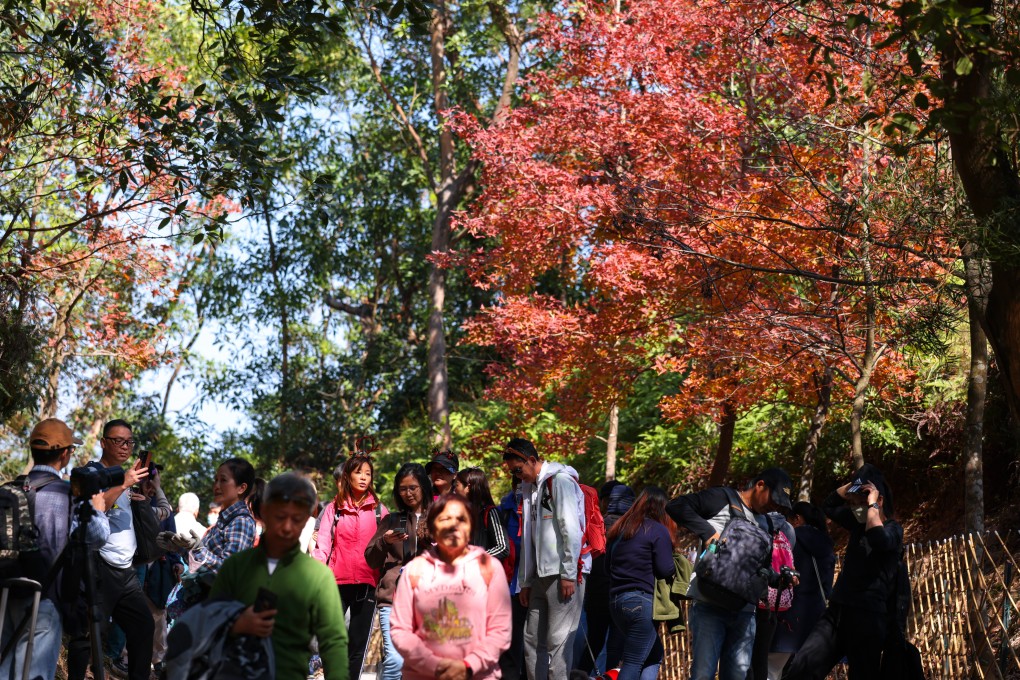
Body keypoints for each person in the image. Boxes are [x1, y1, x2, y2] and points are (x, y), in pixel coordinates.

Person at [209, 472, 349, 680]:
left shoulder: (318, 577)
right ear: (265, 511)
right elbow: (208, 621)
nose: (287, 527)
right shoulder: (236, 567)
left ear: (307, 520)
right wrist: (237, 624)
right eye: (280, 516)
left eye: (297, 519)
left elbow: (333, 642)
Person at [0, 418, 110, 680]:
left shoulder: (10, 490)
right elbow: (97, 536)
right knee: (34, 674)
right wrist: (97, 510)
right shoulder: (68, 494)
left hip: (5, 591)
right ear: (65, 453)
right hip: (45, 597)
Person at [666, 468, 793, 680]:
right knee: (703, 674)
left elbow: (761, 567)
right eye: (774, 499)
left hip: (744, 611)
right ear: (760, 485)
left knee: (737, 675)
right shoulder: (722, 498)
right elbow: (676, 506)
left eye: (780, 504)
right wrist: (708, 533)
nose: (775, 506)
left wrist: (778, 578)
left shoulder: (768, 523)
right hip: (709, 605)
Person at [782, 464, 903, 680]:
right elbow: (828, 506)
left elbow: (879, 538)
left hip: (868, 616)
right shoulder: (858, 522)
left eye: (860, 503)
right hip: (838, 611)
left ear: (880, 501)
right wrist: (854, 485)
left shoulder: (893, 529)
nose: (856, 508)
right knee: (802, 668)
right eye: (853, 503)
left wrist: (872, 504)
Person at [390, 493, 512, 680]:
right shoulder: (414, 570)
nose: (453, 525)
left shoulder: (489, 567)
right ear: (432, 528)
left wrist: (468, 666)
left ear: (471, 528)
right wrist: (436, 666)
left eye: (461, 519)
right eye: (445, 519)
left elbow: (500, 630)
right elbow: (401, 630)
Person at [503, 438, 585, 680]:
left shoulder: (560, 481)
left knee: (558, 643)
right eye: (513, 472)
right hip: (538, 575)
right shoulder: (529, 488)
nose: (517, 476)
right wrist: (525, 581)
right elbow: (528, 536)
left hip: (562, 574)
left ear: (531, 460)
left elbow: (571, 529)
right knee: (531, 640)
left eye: (518, 470)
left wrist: (569, 573)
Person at [85, 419, 159, 680]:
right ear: (103, 442)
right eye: (118, 440)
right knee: (92, 632)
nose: (125, 446)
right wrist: (124, 484)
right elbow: (95, 507)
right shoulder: (93, 472)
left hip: (126, 570)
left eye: (129, 442)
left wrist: (142, 496)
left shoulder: (124, 476)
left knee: (144, 626)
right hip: (101, 566)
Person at [312, 453, 389, 680]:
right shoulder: (333, 509)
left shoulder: (379, 510)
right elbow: (322, 545)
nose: (364, 477)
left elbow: (386, 549)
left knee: (358, 645)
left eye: (368, 473)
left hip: (367, 584)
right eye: (358, 472)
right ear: (347, 476)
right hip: (335, 583)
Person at [165, 458, 259, 622]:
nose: (216, 485)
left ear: (241, 488)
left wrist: (197, 549)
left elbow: (228, 571)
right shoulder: (224, 519)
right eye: (216, 480)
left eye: (223, 480)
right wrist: (178, 547)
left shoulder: (241, 522)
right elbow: (202, 564)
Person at [365, 463, 434, 680]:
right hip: (393, 599)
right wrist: (384, 542)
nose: (408, 493)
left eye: (413, 487)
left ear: (423, 486)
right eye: (403, 489)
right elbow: (371, 559)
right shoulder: (392, 520)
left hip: (430, 601)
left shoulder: (439, 517)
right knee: (395, 661)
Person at [606, 486, 676, 680]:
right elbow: (665, 569)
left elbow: (607, 567)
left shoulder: (620, 529)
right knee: (633, 662)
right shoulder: (658, 530)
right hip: (642, 603)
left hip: (616, 603)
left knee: (654, 654)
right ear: (662, 508)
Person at [768, 502, 834, 680]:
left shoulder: (788, 539)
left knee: (771, 669)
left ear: (797, 518)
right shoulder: (827, 543)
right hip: (814, 621)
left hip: (787, 617)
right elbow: (827, 588)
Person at [577, 481, 634, 675]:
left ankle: (579, 676)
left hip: (596, 594)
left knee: (593, 643)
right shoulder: (632, 529)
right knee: (615, 648)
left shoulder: (595, 524)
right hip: (621, 594)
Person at [454, 467, 511, 560]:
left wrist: (475, 558)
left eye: (457, 485)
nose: (454, 490)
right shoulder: (462, 513)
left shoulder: (490, 513)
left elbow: (502, 548)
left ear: (468, 487)